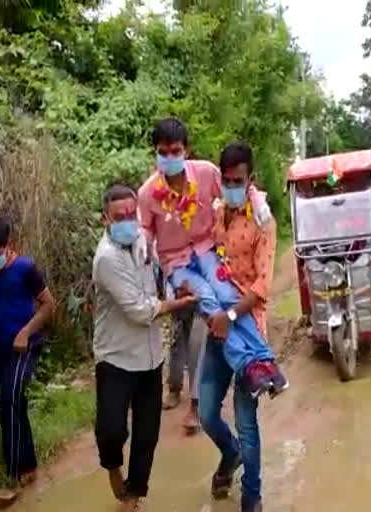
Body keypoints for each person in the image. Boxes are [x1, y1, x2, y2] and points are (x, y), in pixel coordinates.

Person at [137, 118, 286, 398]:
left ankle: (266, 361)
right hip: (177, 263)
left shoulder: (205, 173)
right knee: (208, 301)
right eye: (163, 152)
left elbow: (237, 186)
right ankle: (249, 365)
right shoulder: (147, 194)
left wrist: (258, 201)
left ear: (187, 150)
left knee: (226, 297)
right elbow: (145, 227)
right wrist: (143, 243)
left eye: (176, 151)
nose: (170, 157)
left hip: (206, 250)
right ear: (155, 152)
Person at [92, 184, 196, 511]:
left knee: (146, 435)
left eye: (130, 214)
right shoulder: (105, 259)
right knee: (111, 430)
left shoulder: (142, 241)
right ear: (105, 219)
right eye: (118, 216)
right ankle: (112, 470)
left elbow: (159, 268)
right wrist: (177, 303)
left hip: (151, 356)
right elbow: (139, 311)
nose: (126, 221)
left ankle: (133, 495)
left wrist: (175, 280)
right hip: (116, 357)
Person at [198, 142, 282, 512]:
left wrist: (229, 316)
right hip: (216, 327)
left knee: (247, 421)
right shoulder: (217, 213)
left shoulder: (263, 222)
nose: (231, 187)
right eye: (226, 180)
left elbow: (262, 286)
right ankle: (229, 455)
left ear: (251, 180)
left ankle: (252, 496)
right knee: (206, 414)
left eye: (238, 180)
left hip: (246, 330)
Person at [0, 215, 57, 503]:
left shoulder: (26, 268)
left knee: (7, 403)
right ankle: (29, 464)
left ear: (10, 244)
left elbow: (49, 305)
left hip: (25, 347)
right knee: (16, 404)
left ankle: (11, 477)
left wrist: (25, 333)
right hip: (0, 348)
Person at [163, 307, 208, 434]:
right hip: (181, 300)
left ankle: (196, 406)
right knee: (177, 343)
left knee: (197, 348)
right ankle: (174, 389)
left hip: (203, 300)